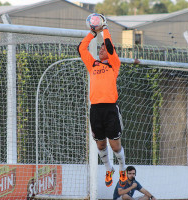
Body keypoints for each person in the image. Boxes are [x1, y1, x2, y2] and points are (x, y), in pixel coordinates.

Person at [77, 14, 127, 188]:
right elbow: (82, 49)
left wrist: (104, 29)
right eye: (99, 49)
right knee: (100, 144)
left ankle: (122, 168)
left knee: (115, 146)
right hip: (95, 109)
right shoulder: (93, 65)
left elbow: (110, 47)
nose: (101, 50)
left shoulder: (114, 64)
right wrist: (92, 33)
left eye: (103, 49)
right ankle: (109, 168)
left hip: (110, 108)